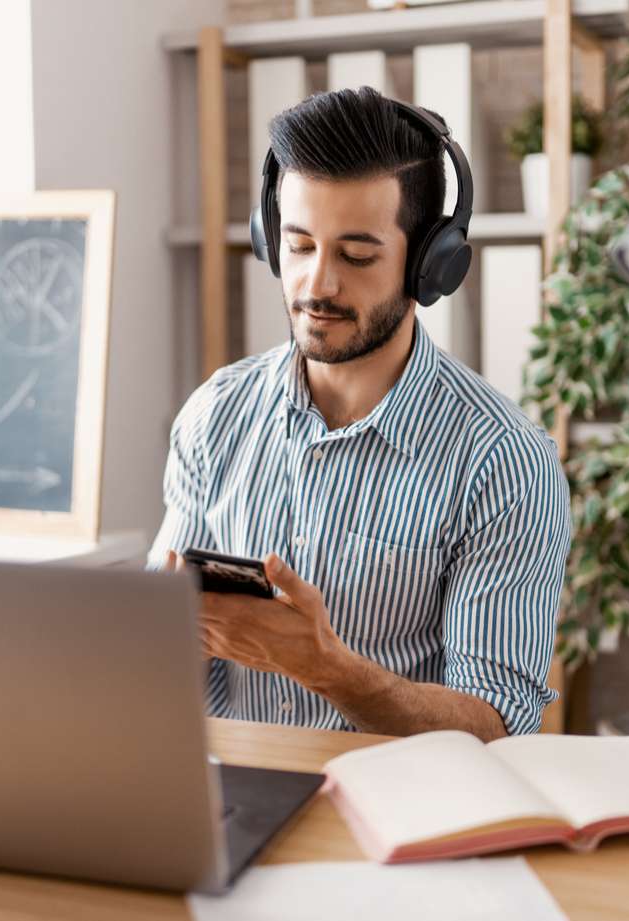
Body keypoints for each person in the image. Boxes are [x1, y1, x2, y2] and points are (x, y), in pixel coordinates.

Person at [148, 87, 571, 740]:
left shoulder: (505, 461)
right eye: (298, 246)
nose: (318, 284)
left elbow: (497, 724)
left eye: (357, 255)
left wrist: (330, 669)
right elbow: (171, 676)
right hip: (227, 804)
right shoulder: (215, 417)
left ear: (432, 263)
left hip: (401, 820)